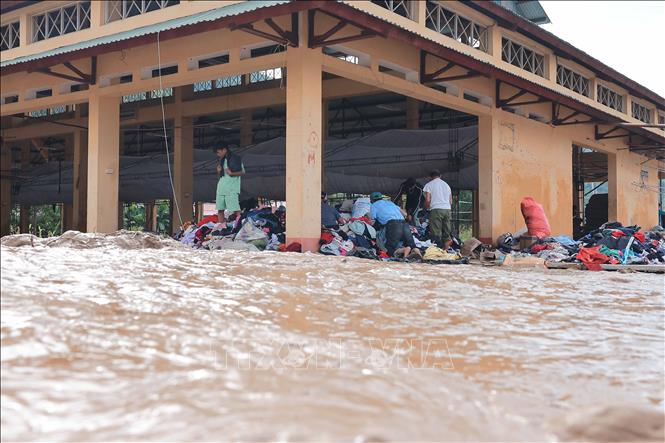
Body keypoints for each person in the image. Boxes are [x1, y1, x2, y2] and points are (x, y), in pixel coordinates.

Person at [369, 191, 421, 259]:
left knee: (389, 247)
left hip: (393, 225)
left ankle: (404, 250)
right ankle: (417, 252)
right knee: (412, 245)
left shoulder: (374, 205)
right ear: (381, 198)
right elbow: (405, 214)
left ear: (371, 200)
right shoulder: (390, 203)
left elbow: (372, 220)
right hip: (404, 223)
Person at [214, 143, 244, 224]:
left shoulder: (235, 158)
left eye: (218, 152)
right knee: (220, 210)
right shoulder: (221, 160)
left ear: (224, 149)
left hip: (231, 189)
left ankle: (239, 227)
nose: (218, 154)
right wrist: (218, 172)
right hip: (221, 189)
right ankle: (221, 227)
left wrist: (232, 173)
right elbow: (220, 177)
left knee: (235, 210)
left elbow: (242, 172)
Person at [423, 169, 452, 248]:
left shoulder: (429, 185)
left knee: (436, 231)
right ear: (440, 176)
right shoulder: (447, 185)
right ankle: (446, 247)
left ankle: (437, 249)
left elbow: (428, 199)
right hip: (447, 209)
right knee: (446, 230)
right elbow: (451, 201)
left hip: (436, 209)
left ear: (430, 177)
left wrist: (425, 208)